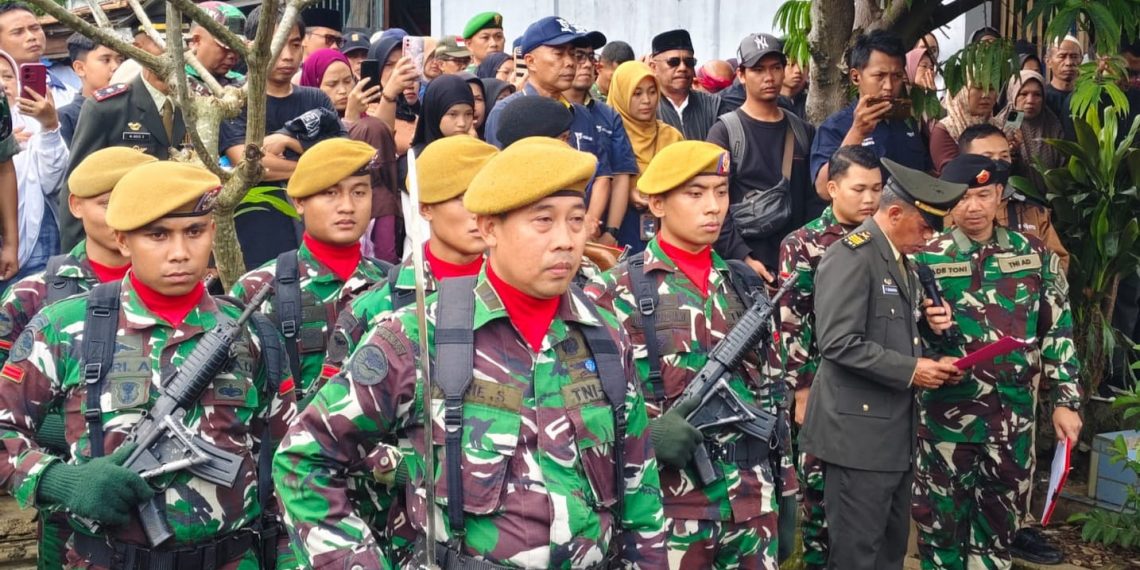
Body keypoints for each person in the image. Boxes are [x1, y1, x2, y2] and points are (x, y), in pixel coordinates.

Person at [273, 136, 668, 569]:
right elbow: (303, 459)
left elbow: (639, 495)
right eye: (542, 221)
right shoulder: (418, 335)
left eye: (576, 221)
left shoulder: (605, 336)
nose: (565, 240)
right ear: (490, 229)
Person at [0, 160, 296, 568]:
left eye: (193, 232)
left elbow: (288, 458)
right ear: (122, 241)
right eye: (157, 235)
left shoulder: (253, 335)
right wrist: (58, 480)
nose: (179, 252)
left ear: (212, 231)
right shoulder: (66, 329)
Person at [587, 139, 790, 568]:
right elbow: (590, 411)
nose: (713, 206)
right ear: (657, 203)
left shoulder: (745, 285)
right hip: (667, 511)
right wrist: (646, 436)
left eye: (721, 191)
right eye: (695, 194)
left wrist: (786, 494)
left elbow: (773, 396)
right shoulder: (613, 293)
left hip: (752, 502)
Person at [911, 153, 1083, 570]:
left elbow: (1057, 330)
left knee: (997, 535)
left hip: (1011, 422)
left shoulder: (1035, 255)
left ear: (1000, 196)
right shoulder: (923, 257)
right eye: (964, 197)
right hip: (945, 422)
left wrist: (1066, 401)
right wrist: (926, 329)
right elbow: (899, 336)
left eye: (984, 195)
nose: (973, 207)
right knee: (940, 533)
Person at [799, 158, 967, 570]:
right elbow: (838, 342)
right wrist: (914, 370)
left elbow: (893, 336)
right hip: (858, 439)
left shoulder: (901, 262)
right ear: (894, 213)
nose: (929, 239)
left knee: (889, 554)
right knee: (857, 557)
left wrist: (933, 345)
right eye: (925, 227)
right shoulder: (853, 256)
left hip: (893, 436)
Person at [0, 147, 147, 569]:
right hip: (68, 519)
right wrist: (65, 425)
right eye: (107, 203)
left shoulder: (186, 290)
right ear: (76, 206)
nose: (123, 215)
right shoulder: (35, 296)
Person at [776, 145, 883, 570]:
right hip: (823, 386)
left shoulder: (884, 239)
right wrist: (801, 391)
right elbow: (791, 321)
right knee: (819, 494)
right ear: (833, 188)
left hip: (875, 385)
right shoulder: (802, 244)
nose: (870, 198)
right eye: (859, 189)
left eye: (877, 189)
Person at [230, 137, 388, 406]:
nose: (347, 206)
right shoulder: (260, 290)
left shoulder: (393, 285)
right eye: (330, 193)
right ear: (298, 202)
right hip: (290, 443)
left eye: (359, 192)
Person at [325, 134, 494, 375]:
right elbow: (331, 405)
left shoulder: (519, 294)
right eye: (462, 198)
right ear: (425, 208)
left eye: (487, 197)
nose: (479, 212)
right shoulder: (374, 308)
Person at [219, 6, 343, 269]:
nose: (287, 56)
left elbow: (340, 156)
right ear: (251, 45)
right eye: (277, 46)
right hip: (256, 225)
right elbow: (249, 166)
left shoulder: (316, 99)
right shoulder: (234, 100)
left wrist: (288, 142)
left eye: (295, 44)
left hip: (314, 225)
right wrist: (313, 164)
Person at [57, 28, 187, 252]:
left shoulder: (197, 105)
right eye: (160, 42)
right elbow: (77, 185)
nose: (172, 51)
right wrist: (75, 258)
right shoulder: (108, 107)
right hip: (120, 240)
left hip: (179, 240)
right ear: (138, 50)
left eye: (179, 41)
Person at [708, 33, 817, 280]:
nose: (769, 77)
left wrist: (806, 254)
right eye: (758, 69)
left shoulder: (802, 131)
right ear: (742, 75)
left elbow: (813, 200)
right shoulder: (725, 132)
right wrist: (743, 258)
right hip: (742, 266)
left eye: (776, 68)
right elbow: (712, 201)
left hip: (797, 265)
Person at [811, 30, 929, 201]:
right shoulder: (835, 127)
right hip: (864, 225)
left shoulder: (908, 123)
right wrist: (857, 132)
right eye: (879, 76)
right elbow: (823, 189)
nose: (889, 86)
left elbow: (926, 175)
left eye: (897, 76)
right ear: (856, 77)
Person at [562, 42, 639, 248]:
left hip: (598, 233)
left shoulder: (607, 114)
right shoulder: (549, 111)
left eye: (590, 57)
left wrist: (611, 232)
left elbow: (619, 174)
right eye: (579, 56)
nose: (587, 64)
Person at [0, 49, 64, 287]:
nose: (2, 84)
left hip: (33, 242)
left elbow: (54, 181)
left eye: (7, 76)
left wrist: (49, 126)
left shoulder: (34, 127)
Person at [607, 61, 683, 253]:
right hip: (615, 232)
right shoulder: (608, 135)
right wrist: (626, 194)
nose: (647, 100)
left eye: (652, 91)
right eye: (637, 93)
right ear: (621, 94)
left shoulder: (671, 136)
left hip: (665, 231)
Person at [649, 29, 728, 140]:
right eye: (673, 62)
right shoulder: (646, 108)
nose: (683, 68)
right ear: (654, 67)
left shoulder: (714, 105)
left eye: (689, 62)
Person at [0, 2, 78, 108]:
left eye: (35, 28)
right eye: (18, 32)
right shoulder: (3, 94)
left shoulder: (70, 92)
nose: (31, 36)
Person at [996, 71, 1066, 184]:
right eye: (1023, 94)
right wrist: (1012, 152)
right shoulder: (1007, 121)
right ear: (1013, 95)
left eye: (1037, 94)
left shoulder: (1052, 125)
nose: (1030, 101)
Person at [57, 33, 122, 146]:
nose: (116, 67)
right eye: (106, 60)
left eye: (120, 60)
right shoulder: (67, 117)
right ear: (80, 68)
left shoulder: (132, 108)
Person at [929, 76, 998, 175]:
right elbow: (954, 176)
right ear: (961, 92)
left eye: (991, 88)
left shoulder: (998, 126)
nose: (985, 94)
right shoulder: (945, 130)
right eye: (978, 88)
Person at [300, 47, 380, 124]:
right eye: (332, 84)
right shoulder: (300, 125)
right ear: (313, 85)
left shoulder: (367, 116)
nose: (343, 91)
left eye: (347, 81)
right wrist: (351, 118)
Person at [186, 2, 246, 96]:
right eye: (225, 46)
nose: (233, 55)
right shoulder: (177, 80)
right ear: (196, 41)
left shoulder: (242, 83)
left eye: (237, 47)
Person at [1044, 35, 1082, 119]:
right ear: (1048, 61)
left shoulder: (1085, 96)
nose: (1069, 62)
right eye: (1062, 56)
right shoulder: (1040, 96)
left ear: (1081, 60)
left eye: (1074, 56)